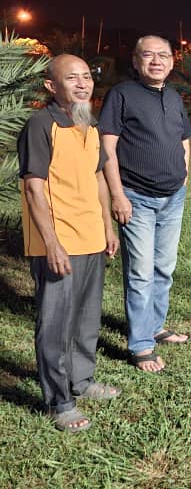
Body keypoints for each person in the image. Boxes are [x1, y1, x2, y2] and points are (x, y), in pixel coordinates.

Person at [18, 54, 120, 432]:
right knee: (56, 325)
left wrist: (107, 227)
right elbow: (33, 187)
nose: (82, 84)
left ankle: (81, 379)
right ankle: (59, 401)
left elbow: (98, 178)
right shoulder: (40, 125)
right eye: (71, 78)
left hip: (90, 237)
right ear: (51, 86)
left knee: (86, 319)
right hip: (59, 241)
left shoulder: (88, 124)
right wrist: (52, 244)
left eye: (86, 77)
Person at [99, 35, 191, 372]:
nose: (157, 61)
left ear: (172, 61)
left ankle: (155, 326)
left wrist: (184, 178)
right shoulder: (122, 95)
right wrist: (118, 195)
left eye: (163, 55)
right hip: (136, 197)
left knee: (164, 267)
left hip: (173, 198)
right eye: (149, 55)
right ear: (136, 61)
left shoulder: (173, 96)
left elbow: (184, 139)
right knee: (140, 273)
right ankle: (141, 345)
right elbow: (107, 148)